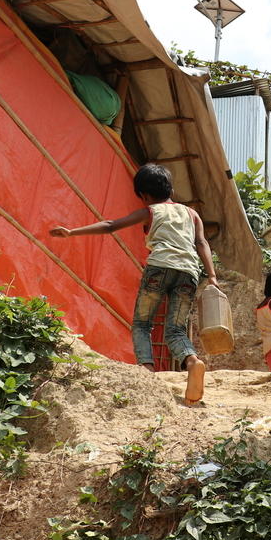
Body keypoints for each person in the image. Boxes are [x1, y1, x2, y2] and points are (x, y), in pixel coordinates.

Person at [50, 163, 217, 405]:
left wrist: (72, 232)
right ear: (170, 188)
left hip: (159, 268)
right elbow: (201, 243)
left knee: (141, 324)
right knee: (176, 330)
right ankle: (192, 361)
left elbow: (110, 226)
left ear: (144, 195)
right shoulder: (192, 214)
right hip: (188, 273)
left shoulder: (150, 211)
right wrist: (211, 275)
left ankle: (147, 372)